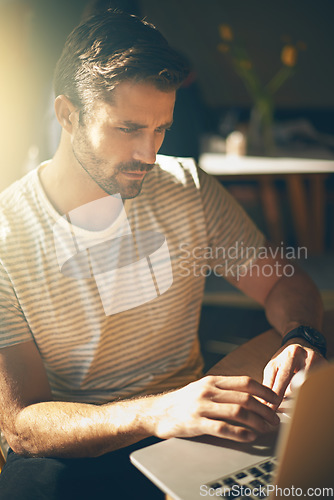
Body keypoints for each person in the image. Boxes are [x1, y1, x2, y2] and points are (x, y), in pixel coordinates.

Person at [0, 9, 327, 499]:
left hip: (191, 428)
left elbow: (284, 281)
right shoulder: (7, 235)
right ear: (67, 115)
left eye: (160, 129)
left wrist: (300, 336)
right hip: (79, 450)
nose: (149, 154)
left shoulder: (185, 186)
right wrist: (159, 412)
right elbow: (22, 424)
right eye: (128, 128)